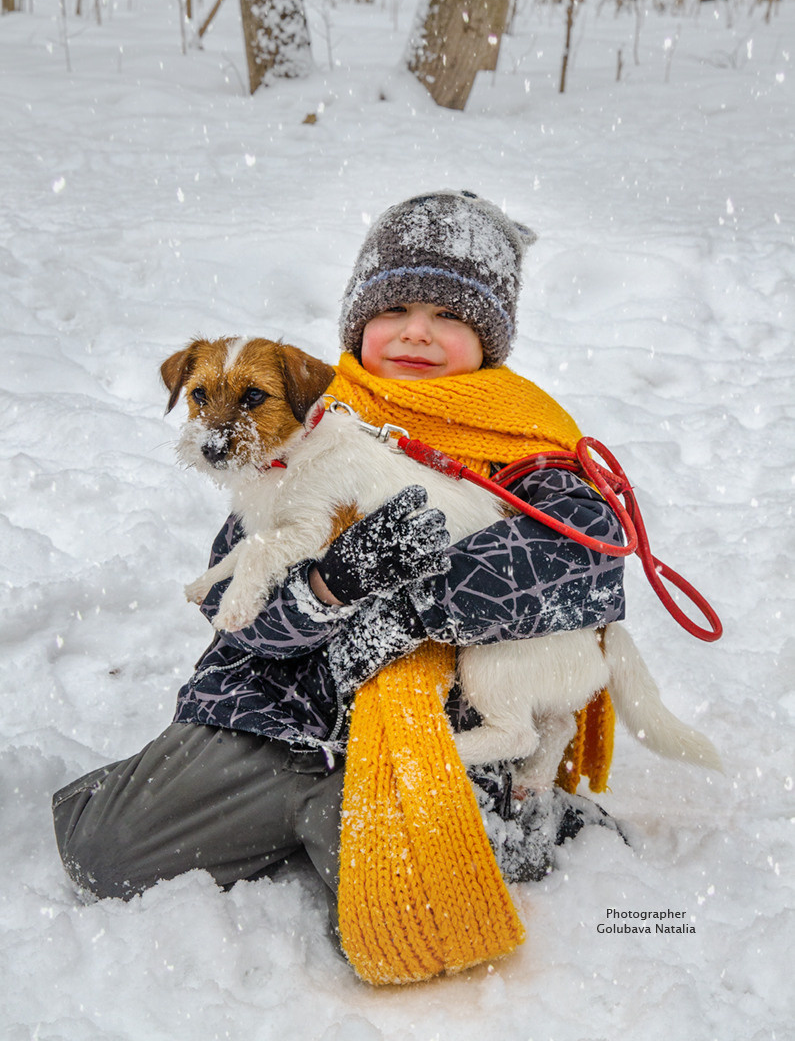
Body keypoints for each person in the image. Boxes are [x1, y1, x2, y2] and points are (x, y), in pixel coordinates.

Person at [52, 190, 626, 913]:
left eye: (448, 315)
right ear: (359, 322)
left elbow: (584, 571)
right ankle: (300, 808)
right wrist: (327, 587)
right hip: (283, 713)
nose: (415, 332)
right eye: (394, 310)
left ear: (490, 336)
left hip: (434, 723)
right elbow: (248, 620)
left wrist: (403, 608)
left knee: (420, 907)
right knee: (106, 855)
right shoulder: (299, 414)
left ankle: (466, 812)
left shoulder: (532, 441)